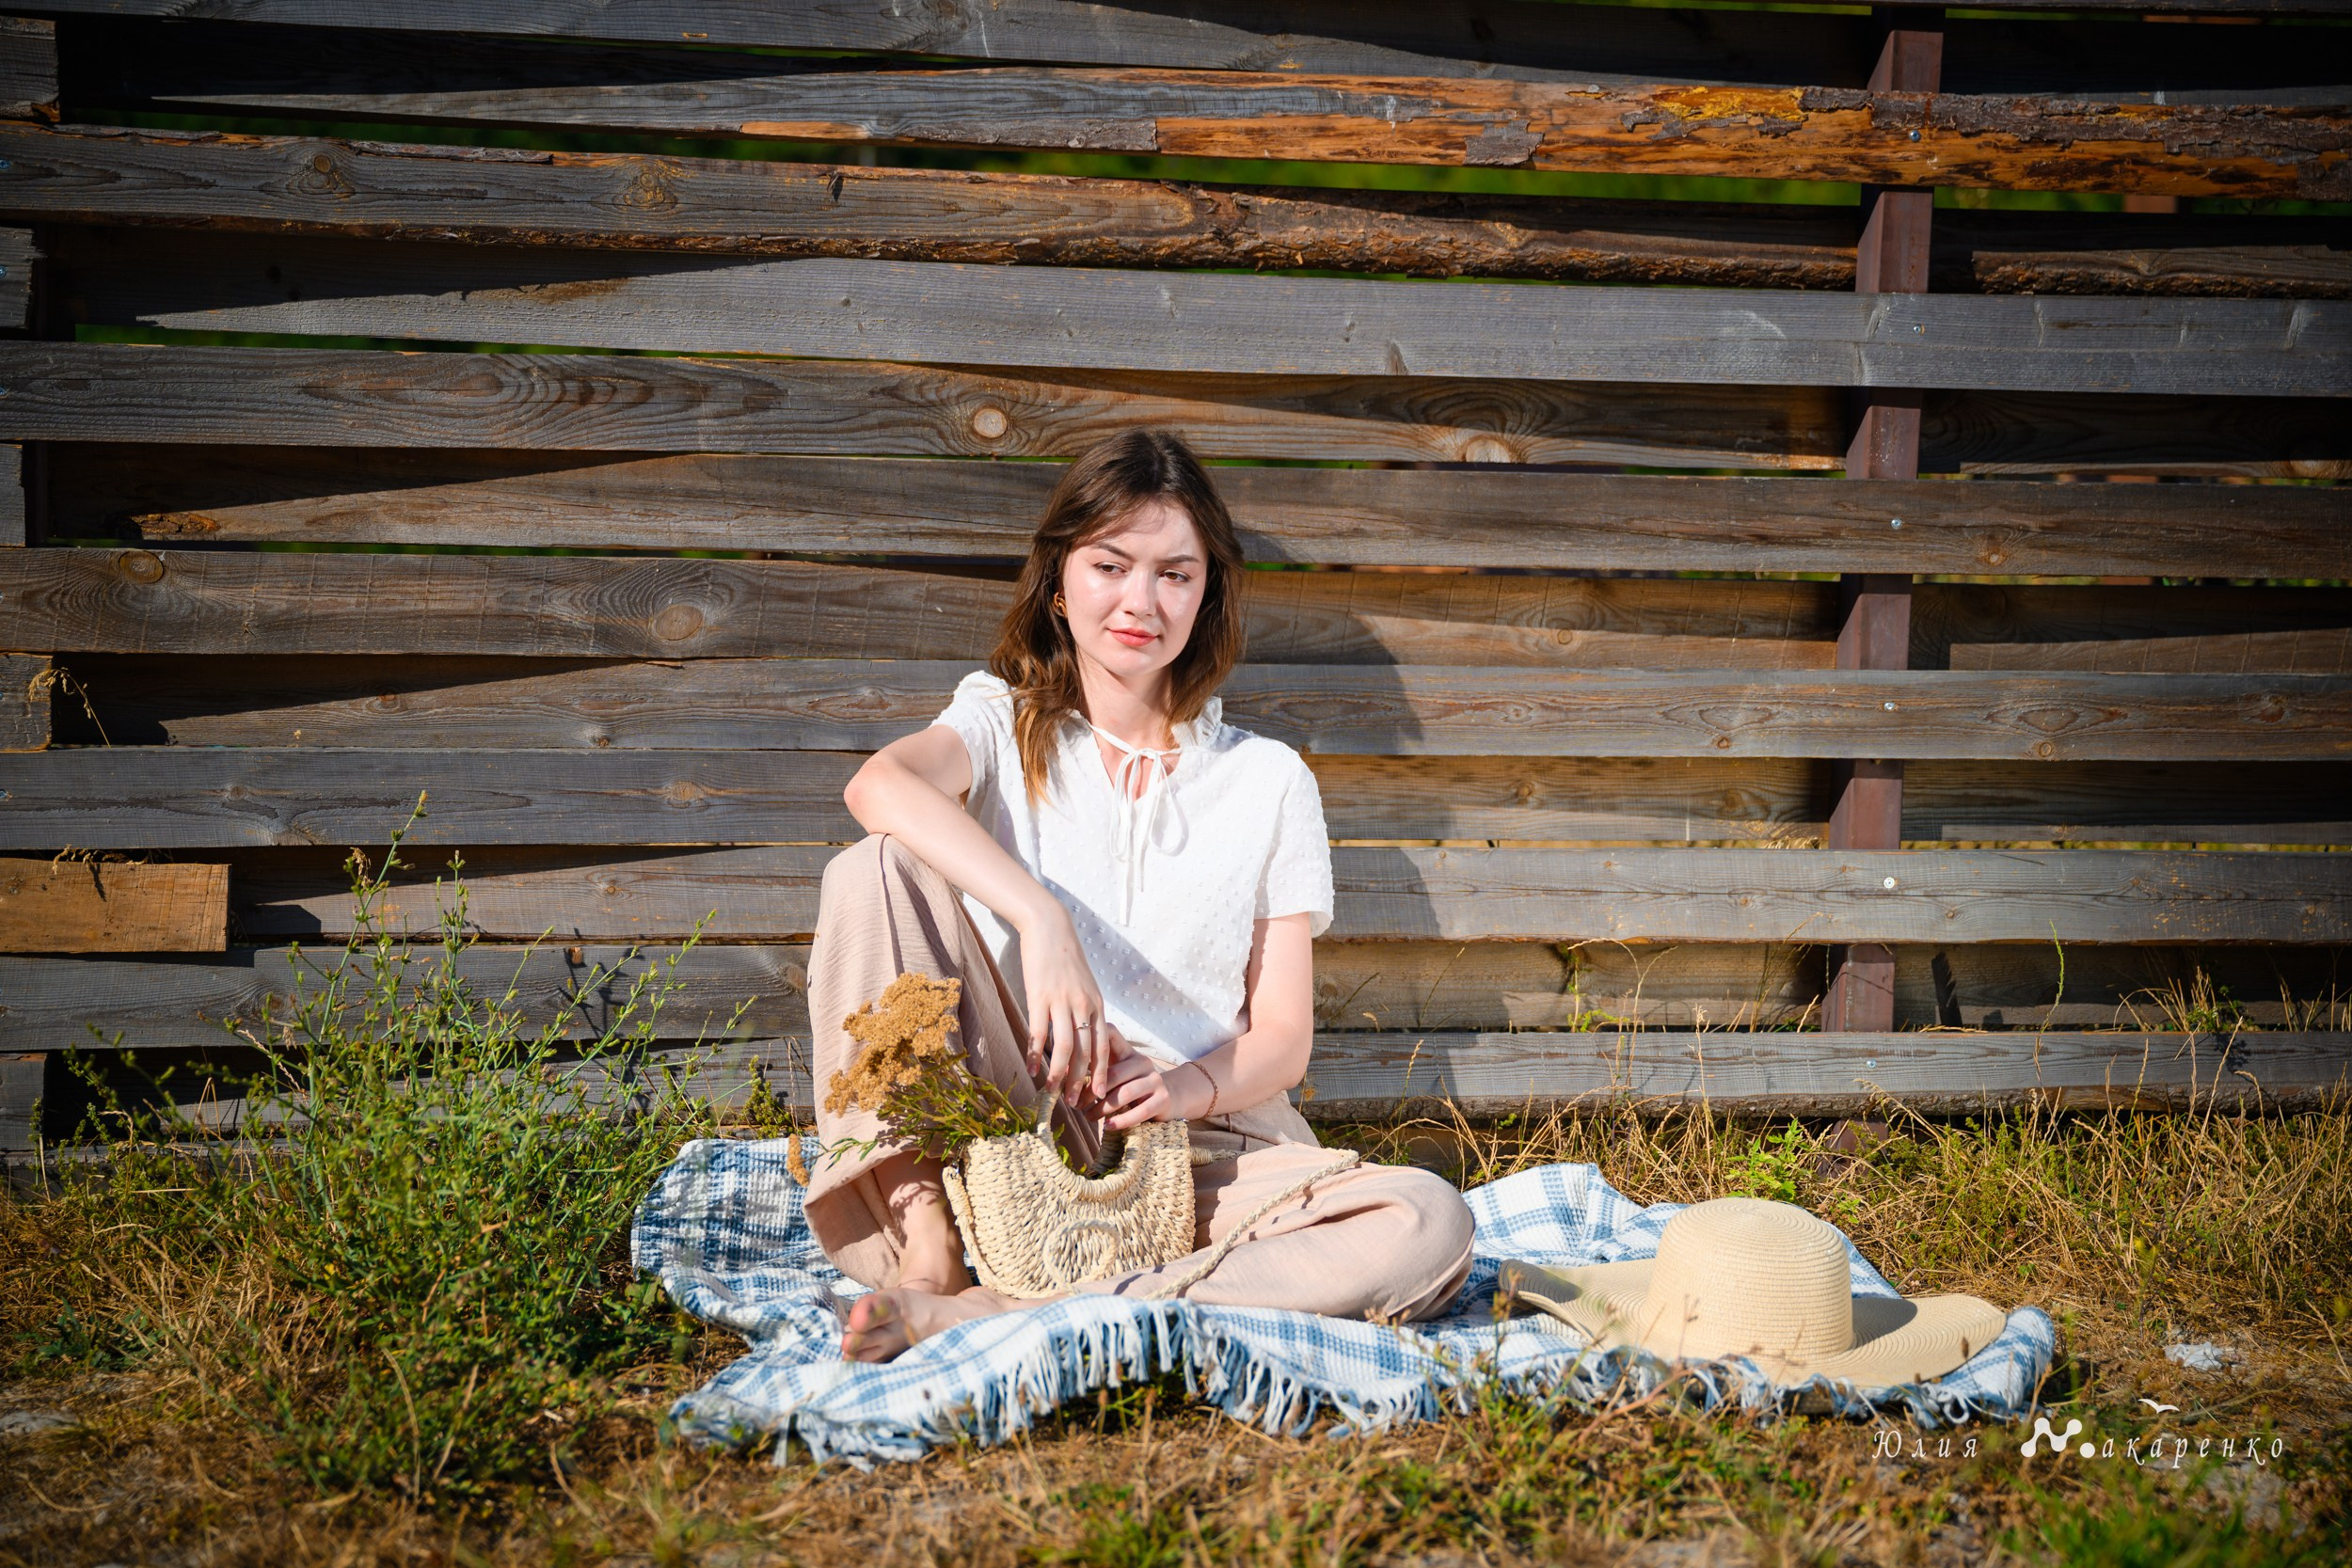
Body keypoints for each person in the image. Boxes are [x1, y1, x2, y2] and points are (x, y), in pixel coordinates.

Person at [803, 428, 1477, 1362]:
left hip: (1199, 1148)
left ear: (1207, 595)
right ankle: (929, 1241)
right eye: (1110, 564)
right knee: (871, 865)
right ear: (1058, 578)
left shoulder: (1267, 779)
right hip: (1005, 1134)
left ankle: (1011, 1313)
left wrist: (1176, 1088)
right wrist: (1043, 920)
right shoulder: (1000, 723)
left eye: (1174, 574)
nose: (1140, 601)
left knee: (1429, 1220)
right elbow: (878, 783)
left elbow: (1281, 1038)